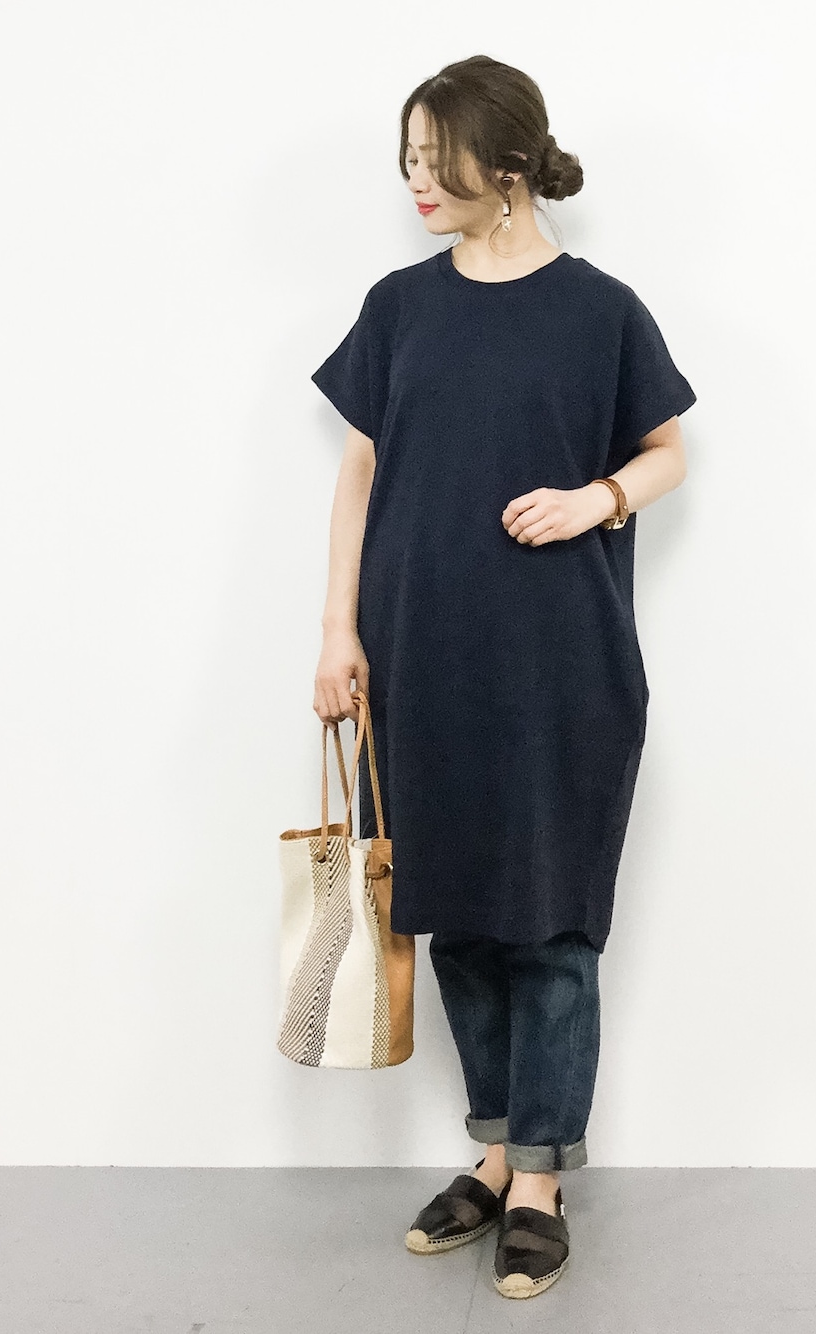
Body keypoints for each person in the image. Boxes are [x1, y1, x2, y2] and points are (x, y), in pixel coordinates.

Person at [309, 54, 697, 1299]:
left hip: (562, 664)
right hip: (419, 656)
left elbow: (669, 450)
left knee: (552, 922)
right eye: (408, 161)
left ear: (511, 165)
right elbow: (361, 471)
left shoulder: (601, 311)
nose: (418, 183)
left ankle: (540, 1177)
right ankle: (492, 1151)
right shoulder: (399, 307)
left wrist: (598, 497)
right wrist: (337, 630)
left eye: (438, 161)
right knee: (458, 913)